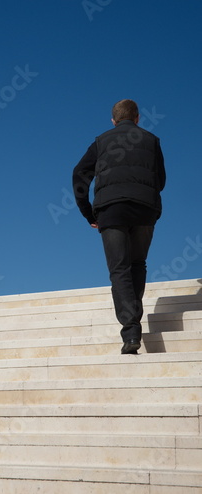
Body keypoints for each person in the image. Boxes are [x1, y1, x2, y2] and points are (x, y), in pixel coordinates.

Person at [72, 99, 166, 354]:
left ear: (113, 121)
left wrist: (88, 212)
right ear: (137, 118)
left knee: (119, 269)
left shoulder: (101, 141)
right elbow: (161, 180)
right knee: (137, 264)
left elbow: (79, 174)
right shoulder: (152, 140)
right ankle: (133, 325)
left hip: (111, 210)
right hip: (145, 210)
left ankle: (131, 332)